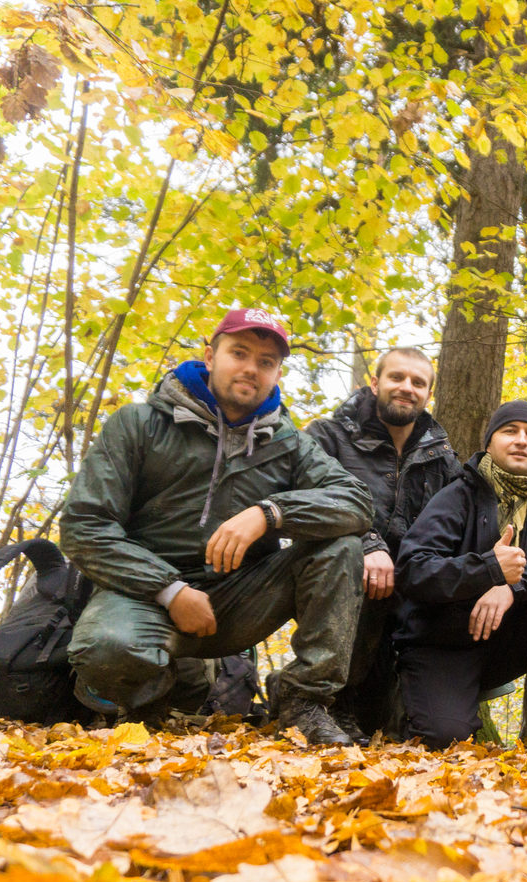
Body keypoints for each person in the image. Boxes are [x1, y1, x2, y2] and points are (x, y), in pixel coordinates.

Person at [61, 309, 373, 744]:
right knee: (106, 648)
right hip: (141, 595)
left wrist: (270, 512)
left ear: (277, 372)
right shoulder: (139, 424)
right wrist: (169, 589)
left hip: (240, 597)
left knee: (341, 546)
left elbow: (356, 501)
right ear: (210, 356)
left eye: (266, 361)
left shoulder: (290, 443)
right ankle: (146, 698)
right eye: (239, 353)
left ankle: (303, 702)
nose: (251, 368)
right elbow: (83, 526)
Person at [393, 402, 527, 749]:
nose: (521, 441)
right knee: (446, 739)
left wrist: (513, 588)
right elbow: (413, 569)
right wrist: (488, 570)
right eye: (509, 431)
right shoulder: (458, 495)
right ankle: (404, 700)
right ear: (489, 442)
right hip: (443, 642)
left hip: (505, 640)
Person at [307, 347, 461, 741]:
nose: (406, 388)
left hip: (407, 598)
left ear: (428, 394)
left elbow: (460, 525)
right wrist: (367, 542)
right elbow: (311, 499)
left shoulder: (442, 458)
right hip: (339, 582)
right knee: (355, 567)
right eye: (396, 378)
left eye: (418, 382)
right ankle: (325, 703)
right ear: (374, 383)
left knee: (388, 719)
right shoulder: (328, 437)